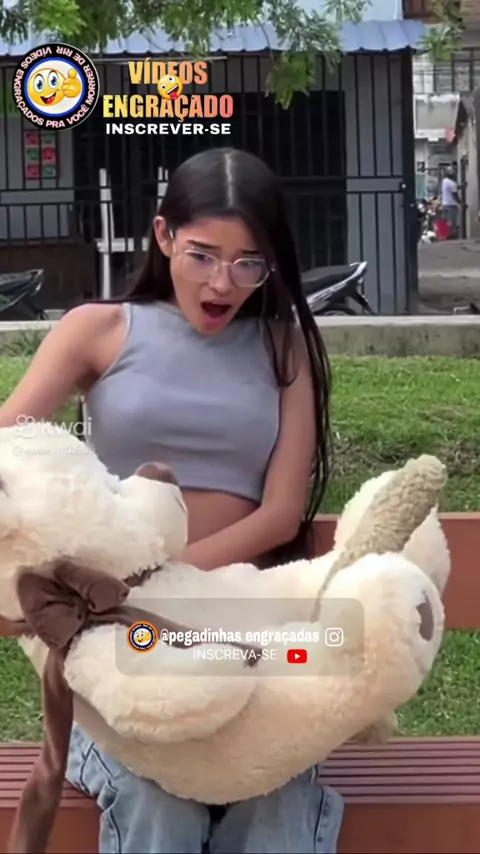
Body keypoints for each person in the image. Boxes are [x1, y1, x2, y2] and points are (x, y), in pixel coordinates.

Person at [0, 146, 344, 853]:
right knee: (159, 800)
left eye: (249, 263)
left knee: (269, 795)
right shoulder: (98, 329)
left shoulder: (284, 349)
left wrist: (171, 581)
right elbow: (9, 447)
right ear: (163, 236)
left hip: (243, 619)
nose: (223, 282)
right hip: (120, 630)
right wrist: (119, 593)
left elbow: (280, 513)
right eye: (203, 255)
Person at [441, 167, 460, 237]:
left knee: (446, 221)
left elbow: (451, 188)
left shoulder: (444, 181)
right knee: (452, 222)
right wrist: (460, 202)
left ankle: (445, 235)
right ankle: (451, 236)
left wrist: (460, 187)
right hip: (451, 205)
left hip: (445, 204)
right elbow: (455, 195)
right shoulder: (453, 184)